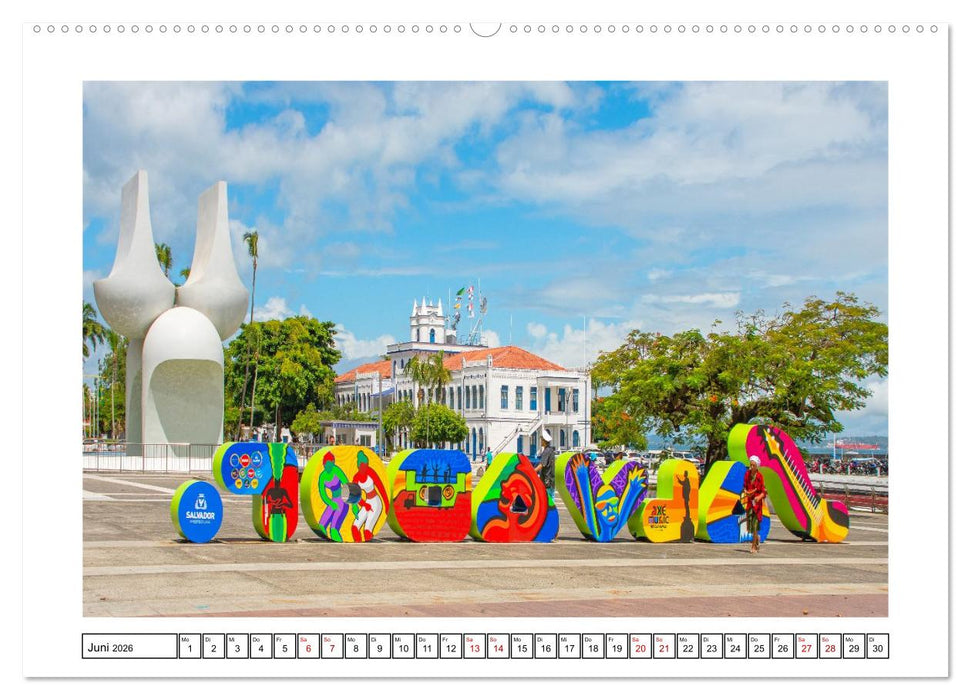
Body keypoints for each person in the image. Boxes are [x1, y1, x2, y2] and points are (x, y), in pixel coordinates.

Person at [743, 455, 767, 553]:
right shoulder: (747, 474)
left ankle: (753, 546)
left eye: (753, 465)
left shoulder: (760, 476)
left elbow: (763, 491)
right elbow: (744, 486)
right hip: (749, 502)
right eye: (750, 465)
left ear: (757, 466)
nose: (751, 467)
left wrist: (758, 497)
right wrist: (746, 492)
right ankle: (756, 538)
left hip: (757, 504)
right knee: (749, 527)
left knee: (755, 524)